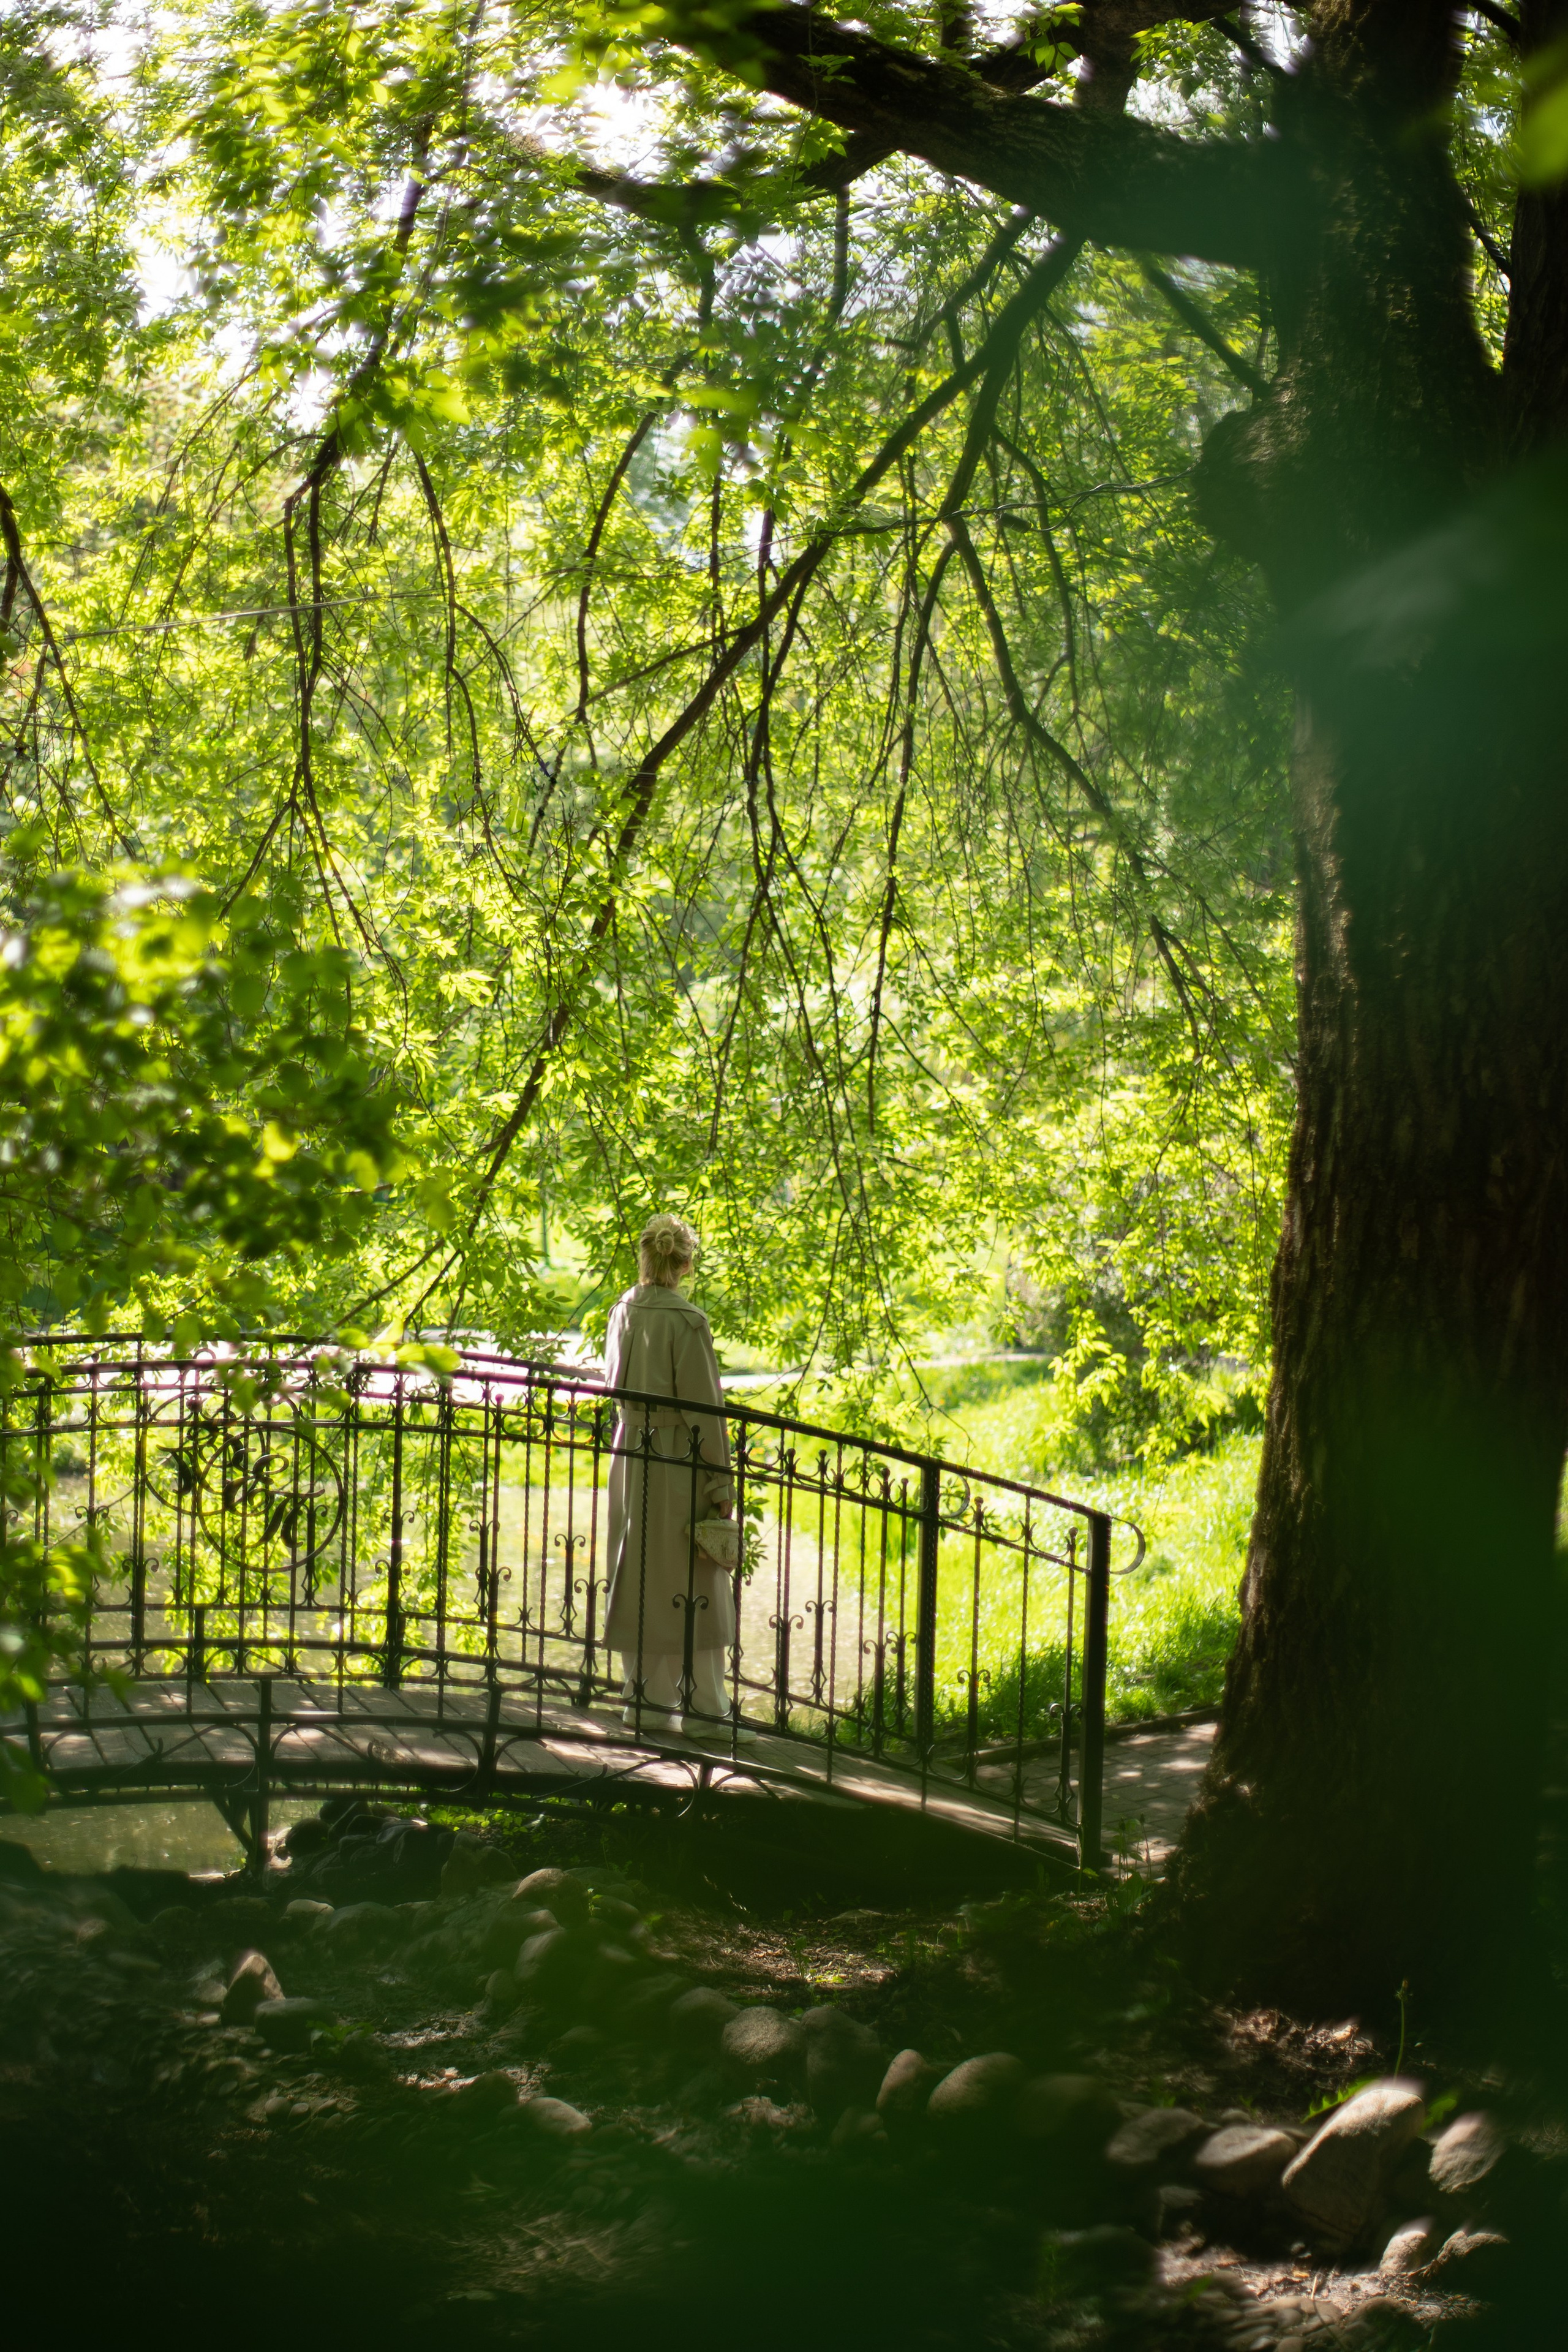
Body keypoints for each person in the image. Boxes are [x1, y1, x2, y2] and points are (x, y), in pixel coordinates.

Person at [601, 1212, 747, 1737]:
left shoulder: (622, 1311)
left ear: (645, 1257)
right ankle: (707, 1710)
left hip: (630, 1453)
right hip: (674, 1460)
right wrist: (720, 1484)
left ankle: (645, 1702)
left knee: (639, 1573)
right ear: (685, 1263)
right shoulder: (688, 1321)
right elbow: (705, 1411)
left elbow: (611, 1381)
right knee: (695, 1576)